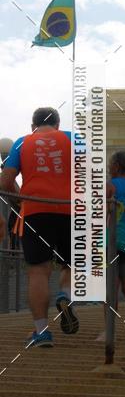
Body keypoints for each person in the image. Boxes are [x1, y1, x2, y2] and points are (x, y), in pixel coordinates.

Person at [0, 107, 78, 347]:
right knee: (73, 264)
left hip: (35, 211)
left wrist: (22, 197)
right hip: (71, 208)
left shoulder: (23, 142)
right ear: (57, 124)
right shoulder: (74, 139)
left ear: (33, 126)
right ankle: (66, 294)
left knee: (38, 271)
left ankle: (42, 331)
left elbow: (4, 181)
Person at [98, 151, 125, 343]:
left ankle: (110, 332)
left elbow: (101, 212)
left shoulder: (111, 186)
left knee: (111, 288)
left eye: (110, 164)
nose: (108, 167)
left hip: (112, 240)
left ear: (116, 166)